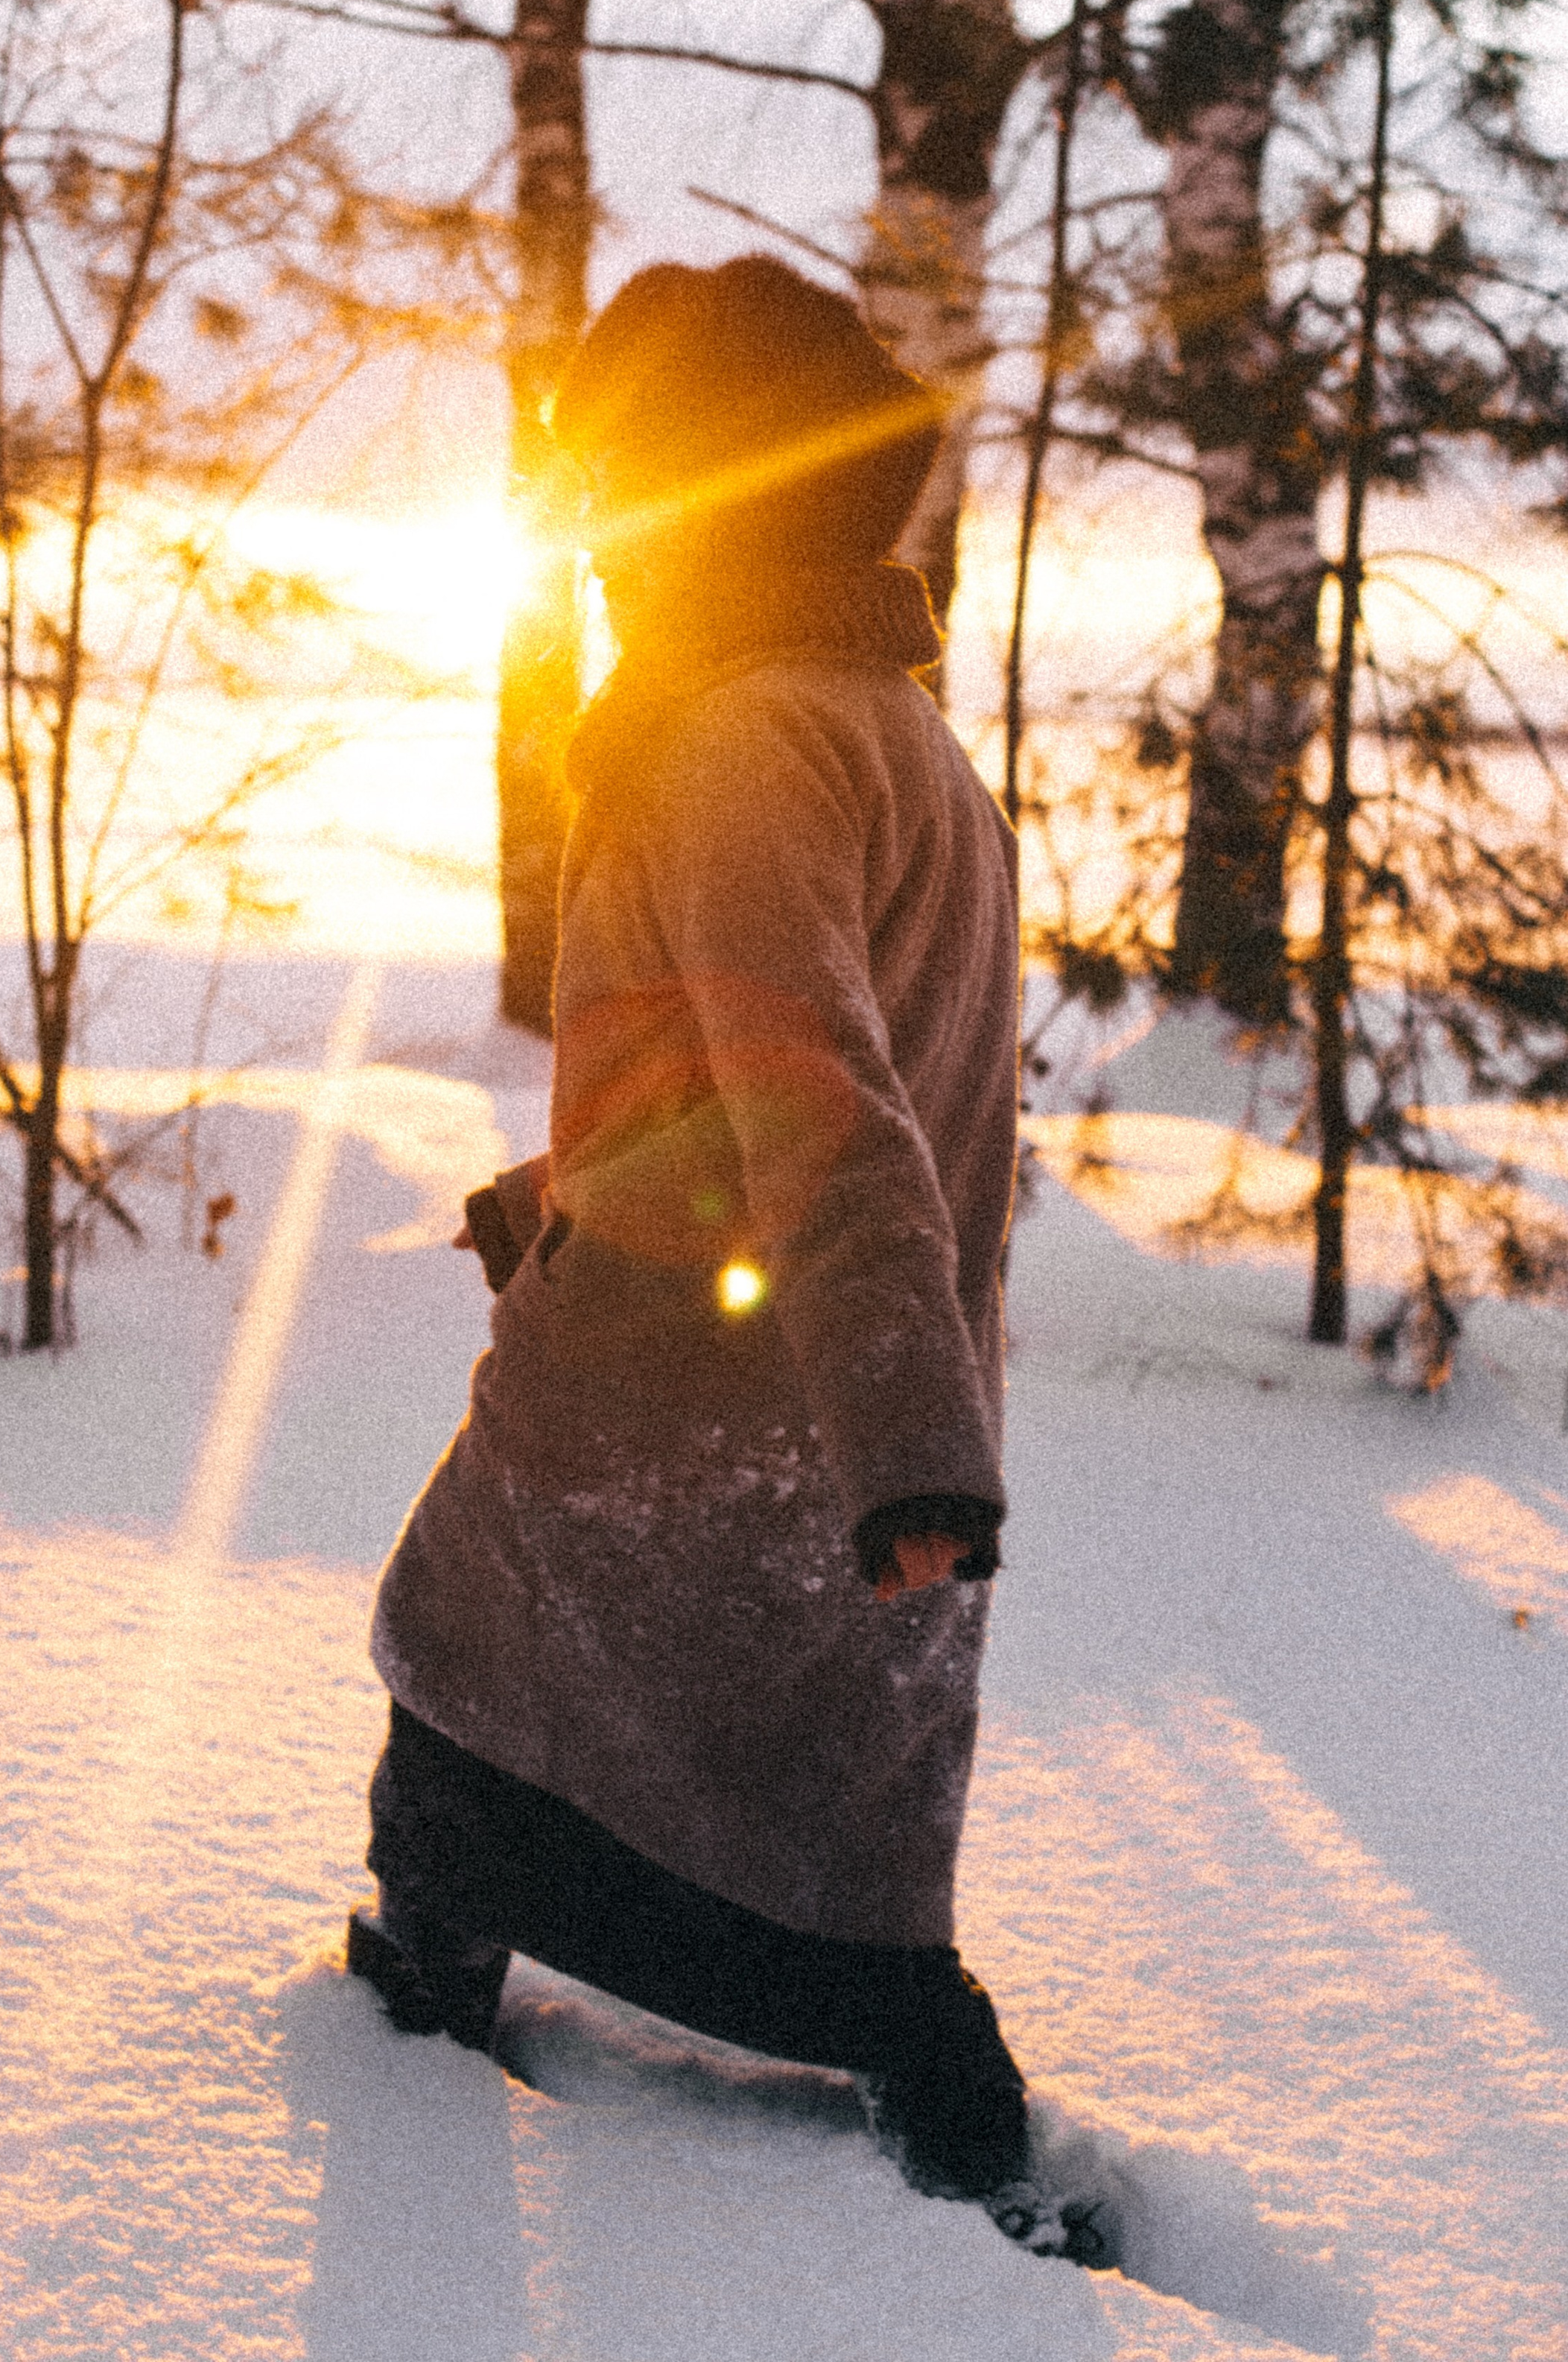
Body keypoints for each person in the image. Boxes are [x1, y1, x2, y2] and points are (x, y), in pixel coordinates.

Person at [349, 255, 1105, 2262]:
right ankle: (960, 2157)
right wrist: (563, 1205)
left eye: (619, 480)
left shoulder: (735, 736)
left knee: (472, 1673)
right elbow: (763, 1080)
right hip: (828, 1385)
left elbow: (830, 1097)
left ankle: (424, 2026)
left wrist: (911, 1449)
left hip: (735, 1413)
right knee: (820, 1803)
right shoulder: (883, 725)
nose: (587, 526)